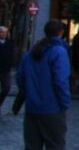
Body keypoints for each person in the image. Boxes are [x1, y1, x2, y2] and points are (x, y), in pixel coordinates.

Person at [17, 20, 70, 150]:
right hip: (52, 108)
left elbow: (20, 78)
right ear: (61, 33)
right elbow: (60, 81)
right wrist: (64, 103)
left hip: (32, 108)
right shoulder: (59, 52)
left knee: (32, 146)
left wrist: (30, 94)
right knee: (55, 145)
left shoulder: (31, 53)